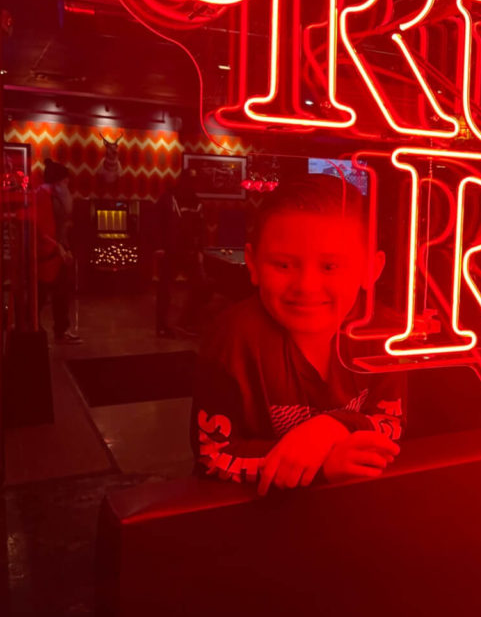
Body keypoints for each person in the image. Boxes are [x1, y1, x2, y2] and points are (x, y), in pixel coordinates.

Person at [191, 175, 404, 492]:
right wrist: (321, 464)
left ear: (370, 270)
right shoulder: (233, 339)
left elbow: (392, 423)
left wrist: (332, 428)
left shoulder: (384, 332)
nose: (306, 287)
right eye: (283, 265)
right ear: (253, 264)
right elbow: (212, 456)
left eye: (330, 266)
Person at [155, 172, 209, 337]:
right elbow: (156, 223)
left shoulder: (196, 201)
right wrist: (159, 247)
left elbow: (200, 227)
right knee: (165, 290)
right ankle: (162, 326)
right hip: (170, 250)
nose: (191, 184)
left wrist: (200, 249)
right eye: (188, 181)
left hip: (190, 251)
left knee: (201, 286)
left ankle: (187, 322)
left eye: (193, 181)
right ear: (181, 181)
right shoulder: (167, 198)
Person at [35, 159, 82, 344]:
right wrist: (59, 247)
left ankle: (61, 330)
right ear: (58, 181)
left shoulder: (54, 195)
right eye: (65, 180)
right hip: (49, 253)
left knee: (60, 294)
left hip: (58, 251)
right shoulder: (44, 196)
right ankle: (35, 329)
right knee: (41, 294)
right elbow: (44, 227)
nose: (67, 183)